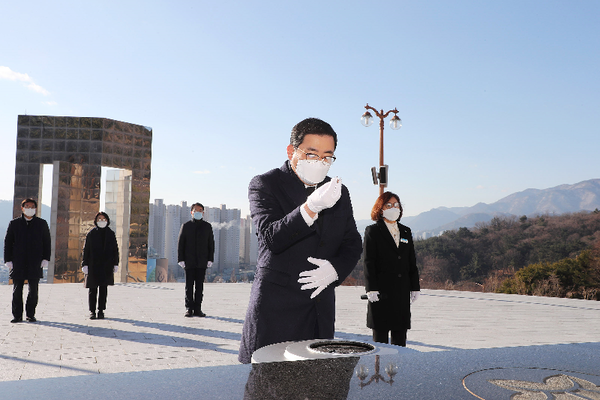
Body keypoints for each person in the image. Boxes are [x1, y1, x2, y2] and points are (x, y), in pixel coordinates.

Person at [238, 117, 363, 364]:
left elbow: (353, 242)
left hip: (319, 310)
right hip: (276, 310)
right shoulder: (265, 184)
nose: (320, 162)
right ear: (291, 151)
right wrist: (310, 208)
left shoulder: (338, 190)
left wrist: (335, 271)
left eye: (328, 156)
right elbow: (271, 237)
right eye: (312, 154)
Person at [363, 191, 420, 346]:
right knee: (380, 341)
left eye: (396, 204)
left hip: (401, 292)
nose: (393, 207)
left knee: (400, 340)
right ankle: (378, 370)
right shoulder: (373, 231)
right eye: (389, 205)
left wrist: (415, 287)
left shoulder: (406, 231)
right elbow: (368, 262)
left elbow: (411, 261)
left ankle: (397, 371)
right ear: (380, 208)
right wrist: (371, 288)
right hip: (381, 292)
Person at [4, 198, 51, 323]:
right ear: (22, 208)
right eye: (27, 206)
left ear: (35, 209)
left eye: (32, 206)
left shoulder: (42, 223)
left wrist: (46, 258)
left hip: (35, 261)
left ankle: (30, 314)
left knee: (33, 290)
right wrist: (8, 259)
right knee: (17, 289)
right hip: (18, 261)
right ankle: (17, 315)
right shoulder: (14, 224)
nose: (30, 208)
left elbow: (47, 242)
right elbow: (8, 242)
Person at [177, 203, 215, 317]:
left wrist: (210, 259)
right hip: (189, 261)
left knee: (199, 286)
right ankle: (189, 308)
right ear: (191, 212)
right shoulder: (186, 225)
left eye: (200, 210)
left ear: (203, 212)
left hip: (202, 261)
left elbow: (211, 244)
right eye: (195, 210)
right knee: (189, 286)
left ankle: (198, 309)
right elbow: (181, 244)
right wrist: (181, 259)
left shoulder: (207, 226)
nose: (198, 212)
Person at [81, 212, 119, 320]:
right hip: (93, 265)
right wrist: (85, 264)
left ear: (107, 220)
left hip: (106, 266)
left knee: (103, 289)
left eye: (103, 219)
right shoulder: (91, 234)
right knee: (92, 289)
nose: (101, 221)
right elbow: (86, 250)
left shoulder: (111, 234)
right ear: (96, 221)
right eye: (99, 219)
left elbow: (115, 250)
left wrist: (116, 263)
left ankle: (101, 310)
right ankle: (92, 311)